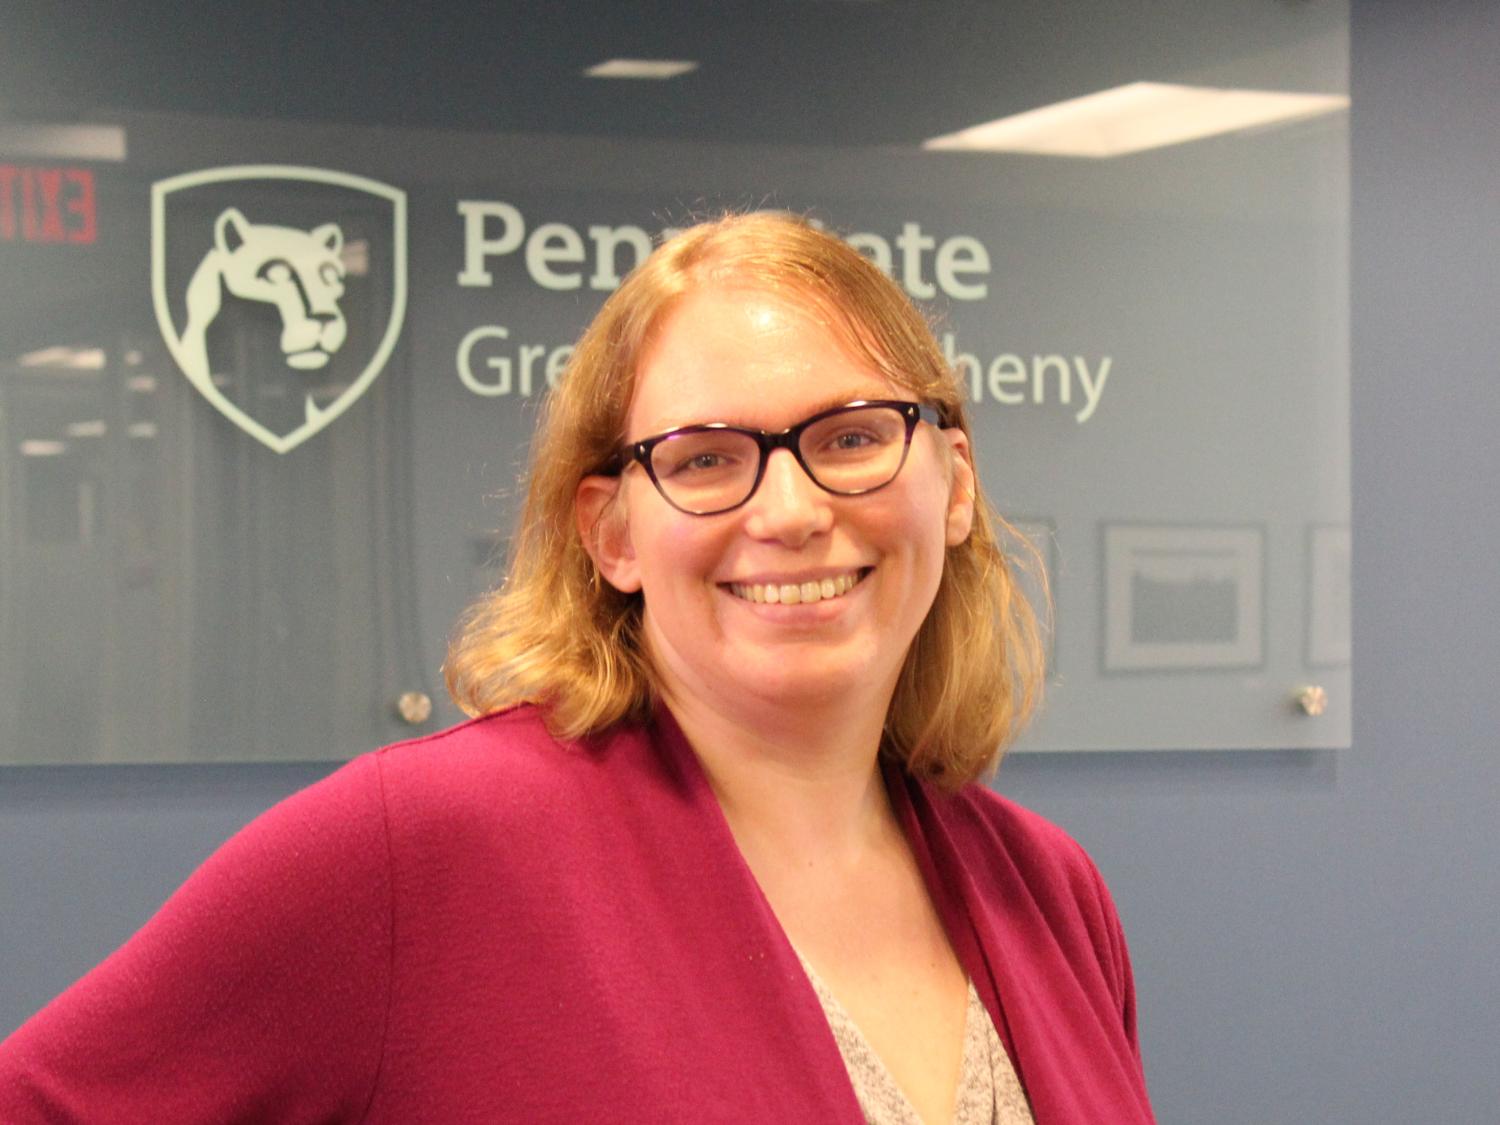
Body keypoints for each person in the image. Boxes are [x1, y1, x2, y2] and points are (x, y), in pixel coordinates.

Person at [0, 212, 1155, 1124]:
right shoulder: (424, 849)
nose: (793, 510)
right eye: (705, 460)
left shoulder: (1050, 895)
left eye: (852, 436)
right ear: (611, 535)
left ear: (951, 482)